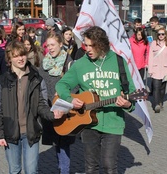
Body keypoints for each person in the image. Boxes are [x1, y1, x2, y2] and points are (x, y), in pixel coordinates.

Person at [55, 26, 136, 174]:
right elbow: (61, 84)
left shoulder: (119, 62)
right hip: (88, 124)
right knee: (91, 167)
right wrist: (70, 99)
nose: (88, 49)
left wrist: (128, 104)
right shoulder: (80, 64)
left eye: (92, 45)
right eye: (86, 45)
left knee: (109, 166)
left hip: (113, 123)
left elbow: (131, 92)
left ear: (103, 44)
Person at [0, 40, 64, 174]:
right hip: (10, 132)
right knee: (15, 170)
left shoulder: (36, 79)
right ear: (9, 58)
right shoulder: (0, 81)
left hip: (31, 131)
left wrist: (52, 115)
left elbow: (42, 104)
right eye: (16, 56)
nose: (20, 58)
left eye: (22, 55)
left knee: (31, 171)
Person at [38, 33, 75, 174]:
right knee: (56, 142)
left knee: (64, 142)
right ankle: (61, 168)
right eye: (48, 45)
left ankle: (64, 170)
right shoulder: (44, 63)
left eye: (53, 45)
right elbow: (40, 83)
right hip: (49, 108)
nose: (50, 48)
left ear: (61, 44)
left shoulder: (69, 62)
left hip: (64, 107)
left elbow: (75, 84)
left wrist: (63, 93)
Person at [148, 28, 167, 113]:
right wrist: (150, 69)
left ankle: (160, 102)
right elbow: (150, 57)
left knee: (162, 89)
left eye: (162, 34)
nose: (161, 36)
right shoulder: (153, 44)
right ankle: (156, 105)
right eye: (159, 34)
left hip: (165, 70)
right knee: (156, 87)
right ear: (157, 35)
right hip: (155, 69)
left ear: (165, 35)